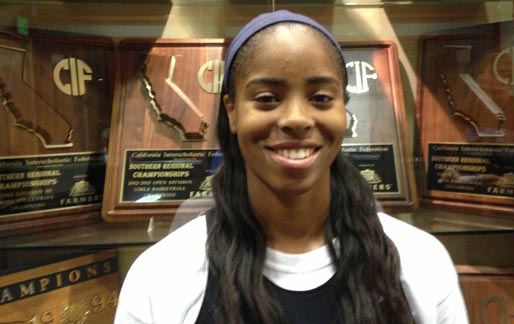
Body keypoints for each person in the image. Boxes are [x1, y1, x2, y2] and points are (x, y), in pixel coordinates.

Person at [114, 10, 468, 324]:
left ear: (344, 108)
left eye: (320, 98)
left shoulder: (421, 262)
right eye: (267, 99)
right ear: (232, 111)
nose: (297, 119)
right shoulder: (161, 277)